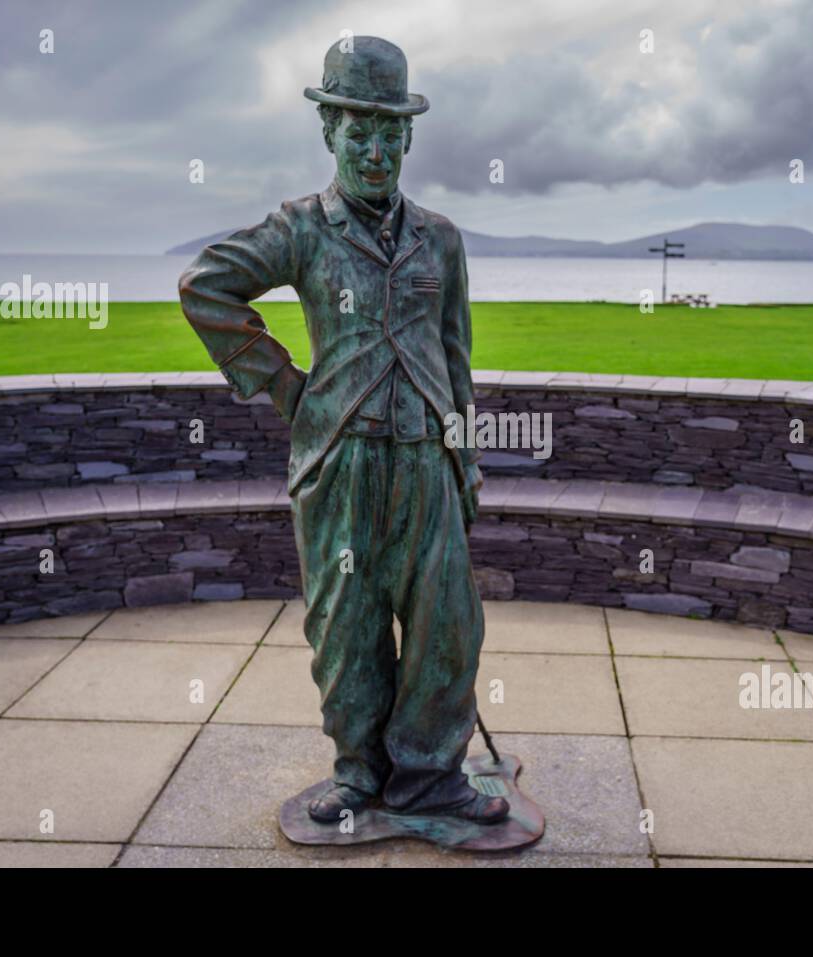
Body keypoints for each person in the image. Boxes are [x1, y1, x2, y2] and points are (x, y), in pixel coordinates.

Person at [178, 37, 506, 825]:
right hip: (342, 463)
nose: (374, 147)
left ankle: (430, 774)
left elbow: (455, 356)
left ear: (409, 138)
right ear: (328, 130)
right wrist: (290, 387)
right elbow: (206, 287)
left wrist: (465, 457)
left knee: (448, 624)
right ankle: (359, 769)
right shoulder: (303, 228)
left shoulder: (442, 238)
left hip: (427, 460)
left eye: (389, 130)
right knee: (345, 625)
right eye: (357, 129)